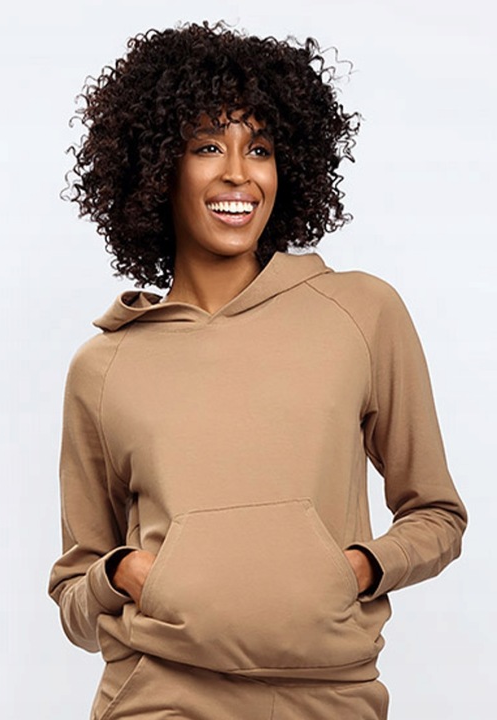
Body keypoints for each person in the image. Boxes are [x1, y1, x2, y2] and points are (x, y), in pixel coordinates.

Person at [48, 21, 467, 720]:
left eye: (261, 149)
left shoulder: (360, 313)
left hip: (332, 696)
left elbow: (437, 515)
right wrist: (122, 574)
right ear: (157, 167)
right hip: (158, 698)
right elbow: (73, 591)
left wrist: (359, 568)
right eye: (208, 146)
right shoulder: (104, 366)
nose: (239, 173)